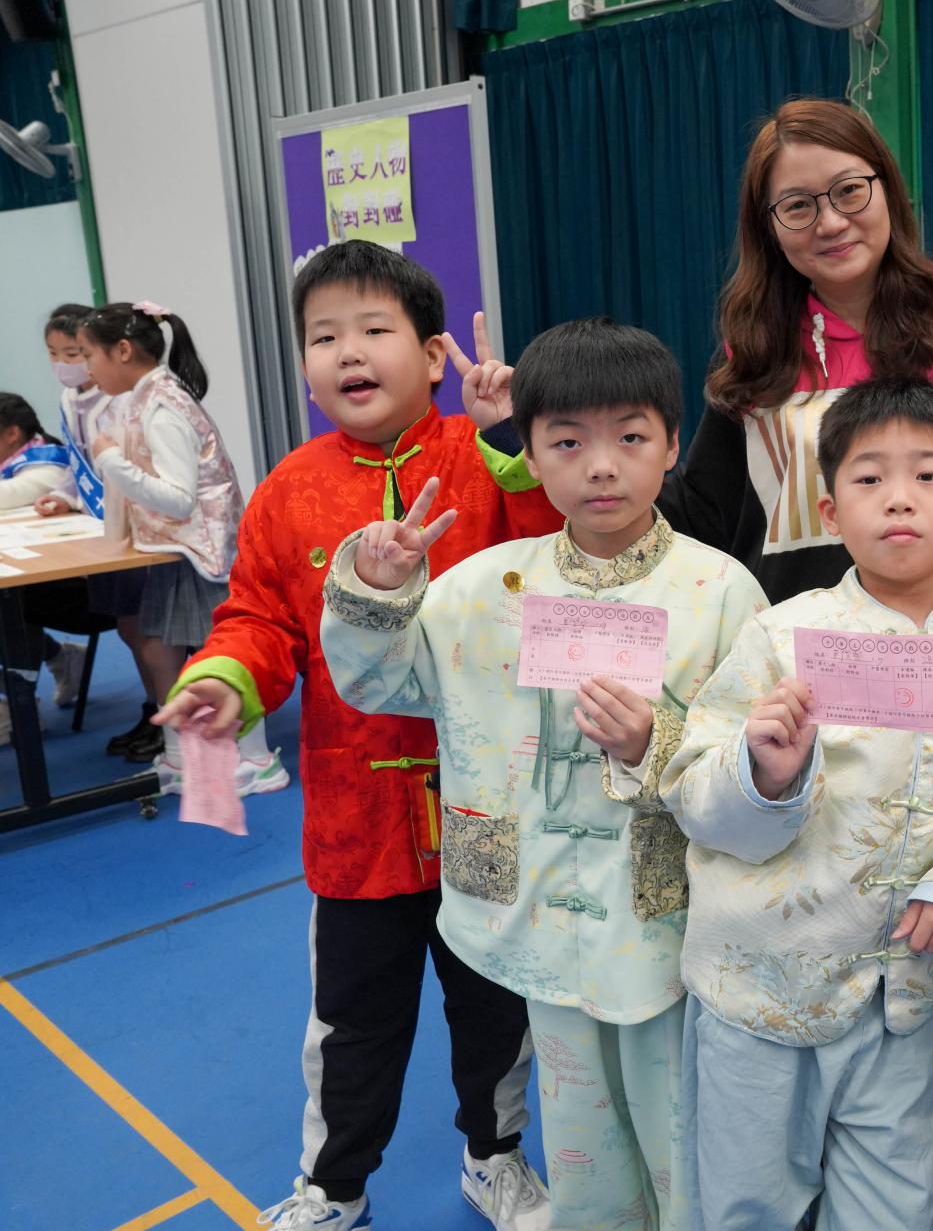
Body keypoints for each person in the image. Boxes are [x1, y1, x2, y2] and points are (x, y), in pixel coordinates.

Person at [659, 95, 933, 1160]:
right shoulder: (754, 350)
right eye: (797, 205)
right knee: (800, 887)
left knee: (906, 897)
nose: (831, 220)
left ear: (887, 188)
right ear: (768, 225)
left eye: (851, 190)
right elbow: (701, 517)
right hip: (802, 685)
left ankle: (888, 1097)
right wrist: (565, 456)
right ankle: (789, 1107)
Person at [320, 317, 767, 1231]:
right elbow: (378, 684)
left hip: (664, 921)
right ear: (527, 452)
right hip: (533, 906)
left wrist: (655, 743)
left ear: (672, 444)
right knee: (577, 1133)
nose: (601, 467)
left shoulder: (722, 592)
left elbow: (752, 768)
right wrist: (378, 587)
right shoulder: (480, 588)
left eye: (630, 438)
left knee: (684, 1127)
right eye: (567, 443)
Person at [154, 243, 560, 1231]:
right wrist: (223, 679)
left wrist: (513, 438)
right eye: (324, 336)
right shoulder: (290, 489)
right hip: (356, 821)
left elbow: (559, 551)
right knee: (351, 1021)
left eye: (374, 329)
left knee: (497, 1004)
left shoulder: (484, 458)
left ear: (434, 355)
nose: (348, 352)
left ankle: (495, 1157)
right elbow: (259, 620)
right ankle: (334, 1187)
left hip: (486, 802)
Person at [664, 374, 933, 1229]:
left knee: (898, 1207)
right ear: (830, 510)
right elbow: (694, 791)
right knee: (746, 1205)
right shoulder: (782, 634)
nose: (899, 499)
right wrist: (761, 772)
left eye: (928, 475)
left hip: (898, 995)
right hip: (757, 984)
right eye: (869, 477)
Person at [77, 301, 284, 793]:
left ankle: (257, 760)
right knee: (155, 647)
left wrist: (112, 462)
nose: (85, 368)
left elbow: (178, 497)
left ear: (122, 351)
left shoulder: (163, 406)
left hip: (206, 551)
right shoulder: (140, 397)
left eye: (87, 355)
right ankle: (179, 757)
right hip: (176, 549)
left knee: (227, 651)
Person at [37, 302, 157, 757]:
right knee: (130, 627)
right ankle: (155, 709)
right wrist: (64, 496)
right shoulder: (70, 400)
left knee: (145, 628)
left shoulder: (122, 398)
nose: (65, 364)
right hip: (103, 529)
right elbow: (79, 464)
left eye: (75, 354)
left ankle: (167, 715)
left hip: (135, 528)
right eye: (54, 354)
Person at [0, 388, 86, 741]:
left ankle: (17, 705)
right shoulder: (14, 458)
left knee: (11, 604)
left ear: (12, 434)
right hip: (36, 578)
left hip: (76, 586)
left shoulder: (45, 465)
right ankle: (58, 657)